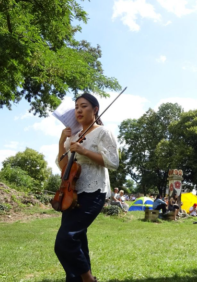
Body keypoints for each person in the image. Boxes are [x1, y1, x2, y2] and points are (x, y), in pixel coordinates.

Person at [55, 92, 119, 282]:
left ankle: (88, 279)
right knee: (78, 240)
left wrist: (83, 151)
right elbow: (63, 166)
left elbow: (113, 162)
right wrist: (61, 143)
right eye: (76, 107)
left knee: (65, 240)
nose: (79, 110)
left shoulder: (102, 132)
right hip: (71, 193)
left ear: (95, 109)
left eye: (83, 106)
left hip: (94, 190)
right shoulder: (73, 136)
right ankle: (76, 279)